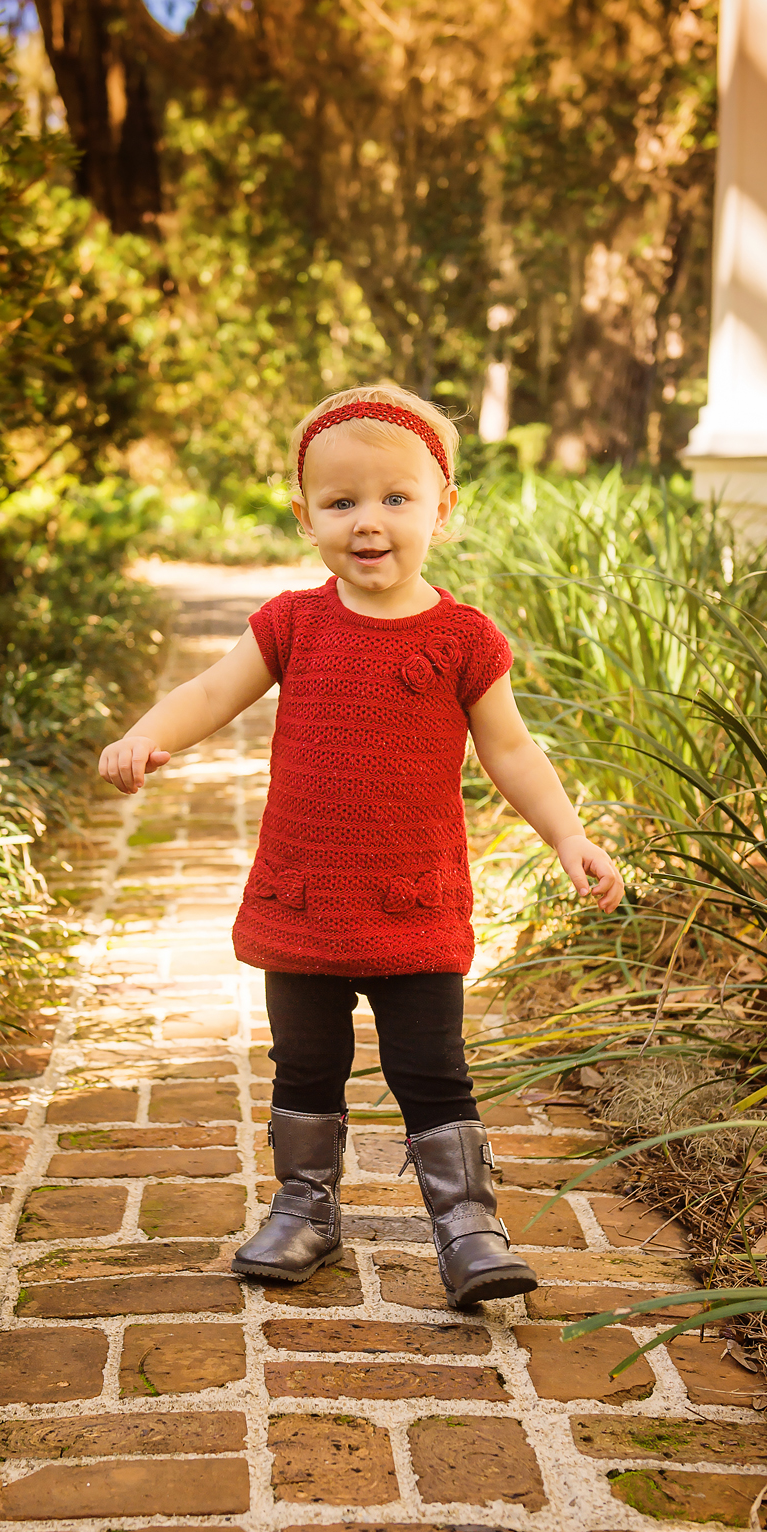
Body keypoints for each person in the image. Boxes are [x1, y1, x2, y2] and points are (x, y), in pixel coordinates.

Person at [98, 383, 624, 1308]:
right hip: (303, 894)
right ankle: (304, 1206)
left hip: (413, 901)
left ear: (442, 507)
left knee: (432, 1066)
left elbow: (510, 748)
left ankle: (466, 1225)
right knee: (306, 1064)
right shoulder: (294, 624)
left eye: (394, 498)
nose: (367, 522)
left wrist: (568, 834)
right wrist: (151, 732)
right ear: (305, 519)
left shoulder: (464, 639)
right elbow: (215, 690)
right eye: (340, 503)